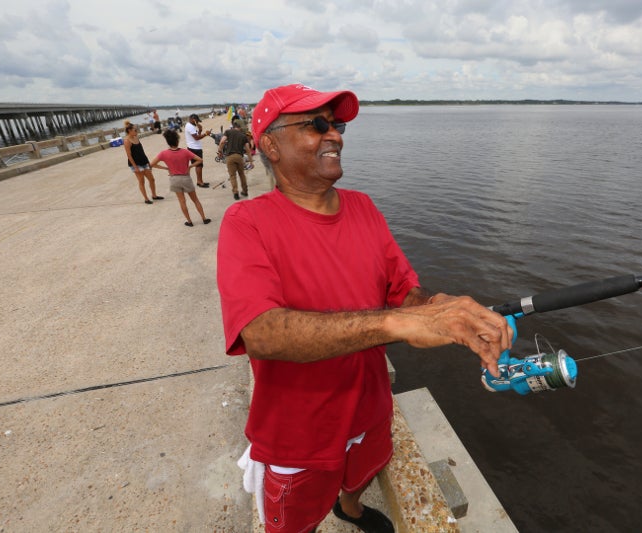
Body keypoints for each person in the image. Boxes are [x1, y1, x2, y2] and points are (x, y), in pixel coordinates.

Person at [216, 84, 512, 533]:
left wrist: (441, 310)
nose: (334, 135)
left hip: (371, 407)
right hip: (299, 434)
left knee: (362, 472)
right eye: (317, 125)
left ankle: (349, 507)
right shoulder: (246, 223)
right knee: (295, 522)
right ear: (270, 145)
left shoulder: (363, 206)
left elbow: (401, 290)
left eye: (337, 125)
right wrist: (399, 323)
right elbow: (261, 331)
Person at [150, 129, 211, 227]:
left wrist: (167, 168)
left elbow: (152, 164)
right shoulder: (185, 152)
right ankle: (204, 218)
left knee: (182, 201)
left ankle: (189, 221)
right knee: (195, 200)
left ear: (168, 142)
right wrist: (190, 166)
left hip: (174, 180)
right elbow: (199, 160)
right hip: (186, 178)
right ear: (177, 141)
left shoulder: (163, 153)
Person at [123, 121, 163, 204]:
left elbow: (141, 151)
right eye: (135, 130)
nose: (136, 131)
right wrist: (135, 167)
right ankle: (146, 199)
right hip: (136, 164)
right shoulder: (127, 141)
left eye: (136, 130)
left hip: (144, 162)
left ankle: (154, 195)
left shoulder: (136, 137)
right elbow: (129, 155)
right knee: (142, 181)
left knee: (152, 179)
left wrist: (148, 162)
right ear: (129, 131)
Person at [217, 119, 250, 200]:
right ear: (239, 127)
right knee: (242, 175)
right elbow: (248, 149)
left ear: (234, 126)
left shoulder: (228, 132)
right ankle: (245, 191)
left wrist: (220, 151)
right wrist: (251, 161)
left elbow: (222, 142)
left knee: (232, 176)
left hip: (230, 157)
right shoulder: (243, 135)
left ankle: (235, 193)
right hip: (239, 157)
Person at [184, 113, 212, 188]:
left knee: (199, 165)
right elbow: (196, 138)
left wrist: (200, 130)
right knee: (199, 165)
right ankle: (199, 182)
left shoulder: (191, 126)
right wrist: (206, 134)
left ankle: (200, 181)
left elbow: (197, 135)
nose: (198, 123)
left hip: (195, 147)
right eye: (197, 121)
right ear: (193, 119)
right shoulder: (190, 127)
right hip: (194, 148)